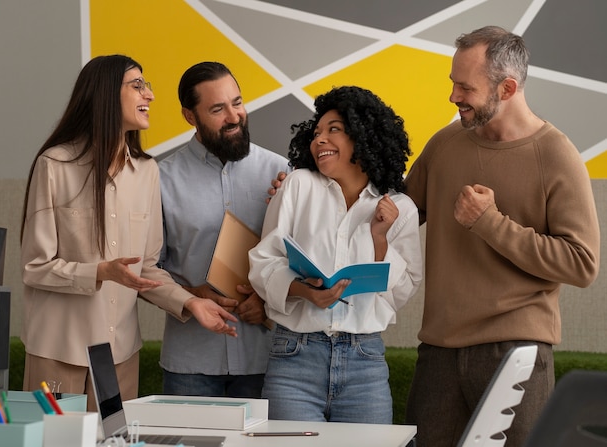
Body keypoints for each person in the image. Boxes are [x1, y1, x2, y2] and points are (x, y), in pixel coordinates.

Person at [403, 26, 600, 447]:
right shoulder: (444, 144)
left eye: (464, 87)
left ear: (507, 87)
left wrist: (490, 223)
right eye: (452, 83)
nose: (453, 97)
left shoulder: (556, 154)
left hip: (517, 354)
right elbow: (397, 213)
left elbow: (582, 264)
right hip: (437, 352)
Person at [20, 55, 237, 412]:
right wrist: (101, 271)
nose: (149, 94)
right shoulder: (54, 165)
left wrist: (191, 302)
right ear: (104, 94)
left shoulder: (148, 171)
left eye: (147, 85)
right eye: (137, 85)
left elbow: (147, 268)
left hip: (119, 354)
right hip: (57, 351)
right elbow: (35, 266)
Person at [248, 85, 423, 423]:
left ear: (363, 136)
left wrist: (379, 239)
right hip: (294, 358)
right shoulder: (298, 185)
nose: (319, 140)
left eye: (334, 130)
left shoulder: (400, 209)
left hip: (365, 363)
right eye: (316, 133)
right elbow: (263, 261)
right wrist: (304, 291)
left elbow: (401, 293)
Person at [157, 61, 290, 398]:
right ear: (190, 116)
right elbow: (147, 268)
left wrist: (268, 301)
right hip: (191, 363)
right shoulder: (161, 179)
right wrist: (190, 297)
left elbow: (302, 257)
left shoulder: (283, 172)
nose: (234, 116)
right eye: (218, 109)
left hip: (267, 359)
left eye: (237, 102)